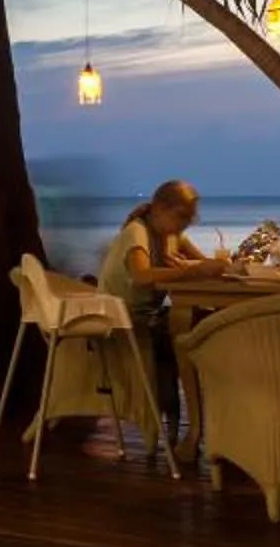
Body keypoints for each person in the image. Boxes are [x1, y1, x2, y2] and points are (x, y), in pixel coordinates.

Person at [96, 180, 233, 438]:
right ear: (159, 209)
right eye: (180, 217)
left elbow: (204, 263)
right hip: (124, 318)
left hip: (146, 316)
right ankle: (198, 419)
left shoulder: (169, 233)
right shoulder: (137, 233)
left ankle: (205, 415)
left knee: (211, 322)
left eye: (189, 219)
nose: (184, 224)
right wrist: (189, 270)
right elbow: (141, 275)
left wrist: (216, 265)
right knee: (197, 329)